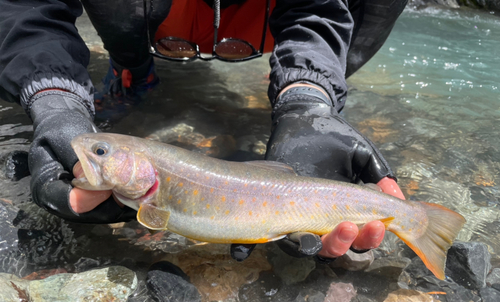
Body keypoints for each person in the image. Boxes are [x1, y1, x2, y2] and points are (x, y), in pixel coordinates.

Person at [0, 0, 408, 262]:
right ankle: (133, 69)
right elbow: (28, 5)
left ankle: (305, 91)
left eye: (101, 152)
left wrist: (310, 99)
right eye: (101, 153)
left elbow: (317, 11)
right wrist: (53, 99)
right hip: (143, 20)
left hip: (263, 23)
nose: (88, 151)